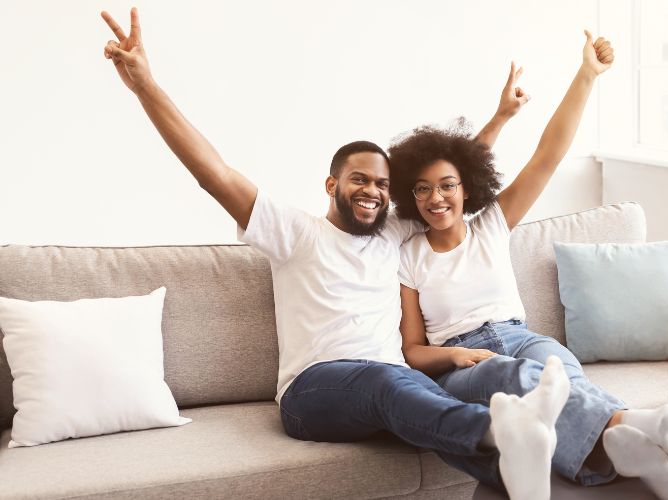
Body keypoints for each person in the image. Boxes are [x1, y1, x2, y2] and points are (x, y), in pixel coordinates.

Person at [99, 8, 571, 499]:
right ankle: (504, 429)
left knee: (422, 399)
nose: (372, 191)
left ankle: (542, 475)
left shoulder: (395, 233)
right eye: (360, 180)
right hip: (314, 391)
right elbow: (213, 173)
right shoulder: (294, 233)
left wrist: (500, 118)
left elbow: (447, 180)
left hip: (395, 385)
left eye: (383, 185)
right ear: (333, 184)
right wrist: (145, 87)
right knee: (393, 386)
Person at [388, 32, 668, 500]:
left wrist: (586, 75)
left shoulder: (491, 225)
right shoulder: (408, 255)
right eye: (422, 189)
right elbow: (412, 350)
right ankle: (635, 432)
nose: (436, 198)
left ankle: (632, 448)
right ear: (411, 196)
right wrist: (455, 355)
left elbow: (548, 155)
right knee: (513, 379)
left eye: (447, 185)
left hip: (522, 336)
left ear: (467, 187)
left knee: (559, 373)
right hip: (464, 363)